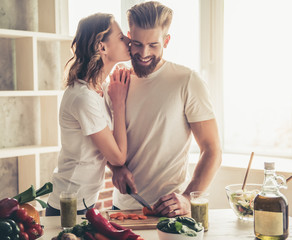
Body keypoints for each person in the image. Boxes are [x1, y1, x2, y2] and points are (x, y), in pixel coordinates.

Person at [106, 1, 222, 217]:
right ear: (129, 36)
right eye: (137, 44)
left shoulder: (186, 80)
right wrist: (116, 168)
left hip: (171, 209)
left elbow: (212, 149)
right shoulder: (115, 84)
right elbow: (105, 142)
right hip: (123, 208)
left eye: (153, 45)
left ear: (166, 41)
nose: (143, 53)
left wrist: (187, 198)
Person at [46, 13, 131, 216]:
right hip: (68, 205)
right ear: (102, 47)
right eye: (121, 37)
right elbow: (118, 157)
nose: (128, 40)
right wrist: (118, 104)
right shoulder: (83, 97)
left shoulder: (100, 89)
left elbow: (102, 147)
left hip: (85, 201)